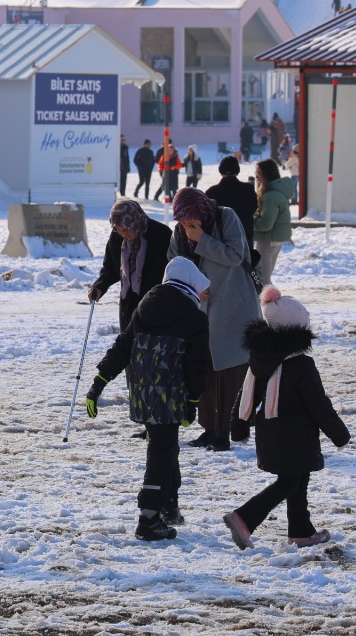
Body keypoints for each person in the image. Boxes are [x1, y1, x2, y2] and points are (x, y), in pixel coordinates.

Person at [85, 257, 212, 540]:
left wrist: (99, 383)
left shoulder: (143, 308)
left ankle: (168, 505)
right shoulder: (194, 318)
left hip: (142, 393)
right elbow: (197, 364)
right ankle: (149, 519)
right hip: (171, 396)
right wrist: (193, 401)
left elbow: (122, 348)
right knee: (161, 452)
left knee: (165, 445)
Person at [223, 287, 350, 549]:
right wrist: (339, 433)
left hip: (270, 432)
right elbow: (318, 405)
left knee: (298, 479)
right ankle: (244, 517)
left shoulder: (261, 359)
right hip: (296, 435)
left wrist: (239, 425)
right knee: (290, 481)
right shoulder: (301, 365)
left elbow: (246, 394)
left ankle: (301, 531)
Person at [168, 190, 260, 451]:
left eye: (190, 222)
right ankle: (209, 429)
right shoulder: (180, 230)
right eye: (183, 223)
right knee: (203, 369)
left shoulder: (225, 217)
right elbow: (174, 261)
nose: (186, 228)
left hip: (233, 306)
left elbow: (234, 255)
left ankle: (227, 429)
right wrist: (191, 284)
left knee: (229, 371)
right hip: (201, 308)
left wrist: (202, 238)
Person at [89, 198, 172, 331]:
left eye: (127, 230)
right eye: (119, 230)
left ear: (135, 221)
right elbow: (110, 267)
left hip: (155, 302)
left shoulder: (161, 234)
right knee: (127, 345)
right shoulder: (117, 236)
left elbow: (170, 271)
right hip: (128, 302)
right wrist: (99, 286)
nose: (124, 234)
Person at [252, 158, 294, 288]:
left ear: (266, 174)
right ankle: (270, 305)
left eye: (258, 173)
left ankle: (271, 307)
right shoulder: (277, 191)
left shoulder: (270, 196)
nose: (256, 176)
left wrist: (247, 222)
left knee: (262, 281)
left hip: (267, 240)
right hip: (275, 240)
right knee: (265, 279)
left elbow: (266, 224)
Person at [207, 155, 257, 244]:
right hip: (244, 236)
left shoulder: (212, 192)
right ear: (237, 170)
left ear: (221, 171)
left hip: (221, 239)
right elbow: (253, 208)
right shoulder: (248, 189)